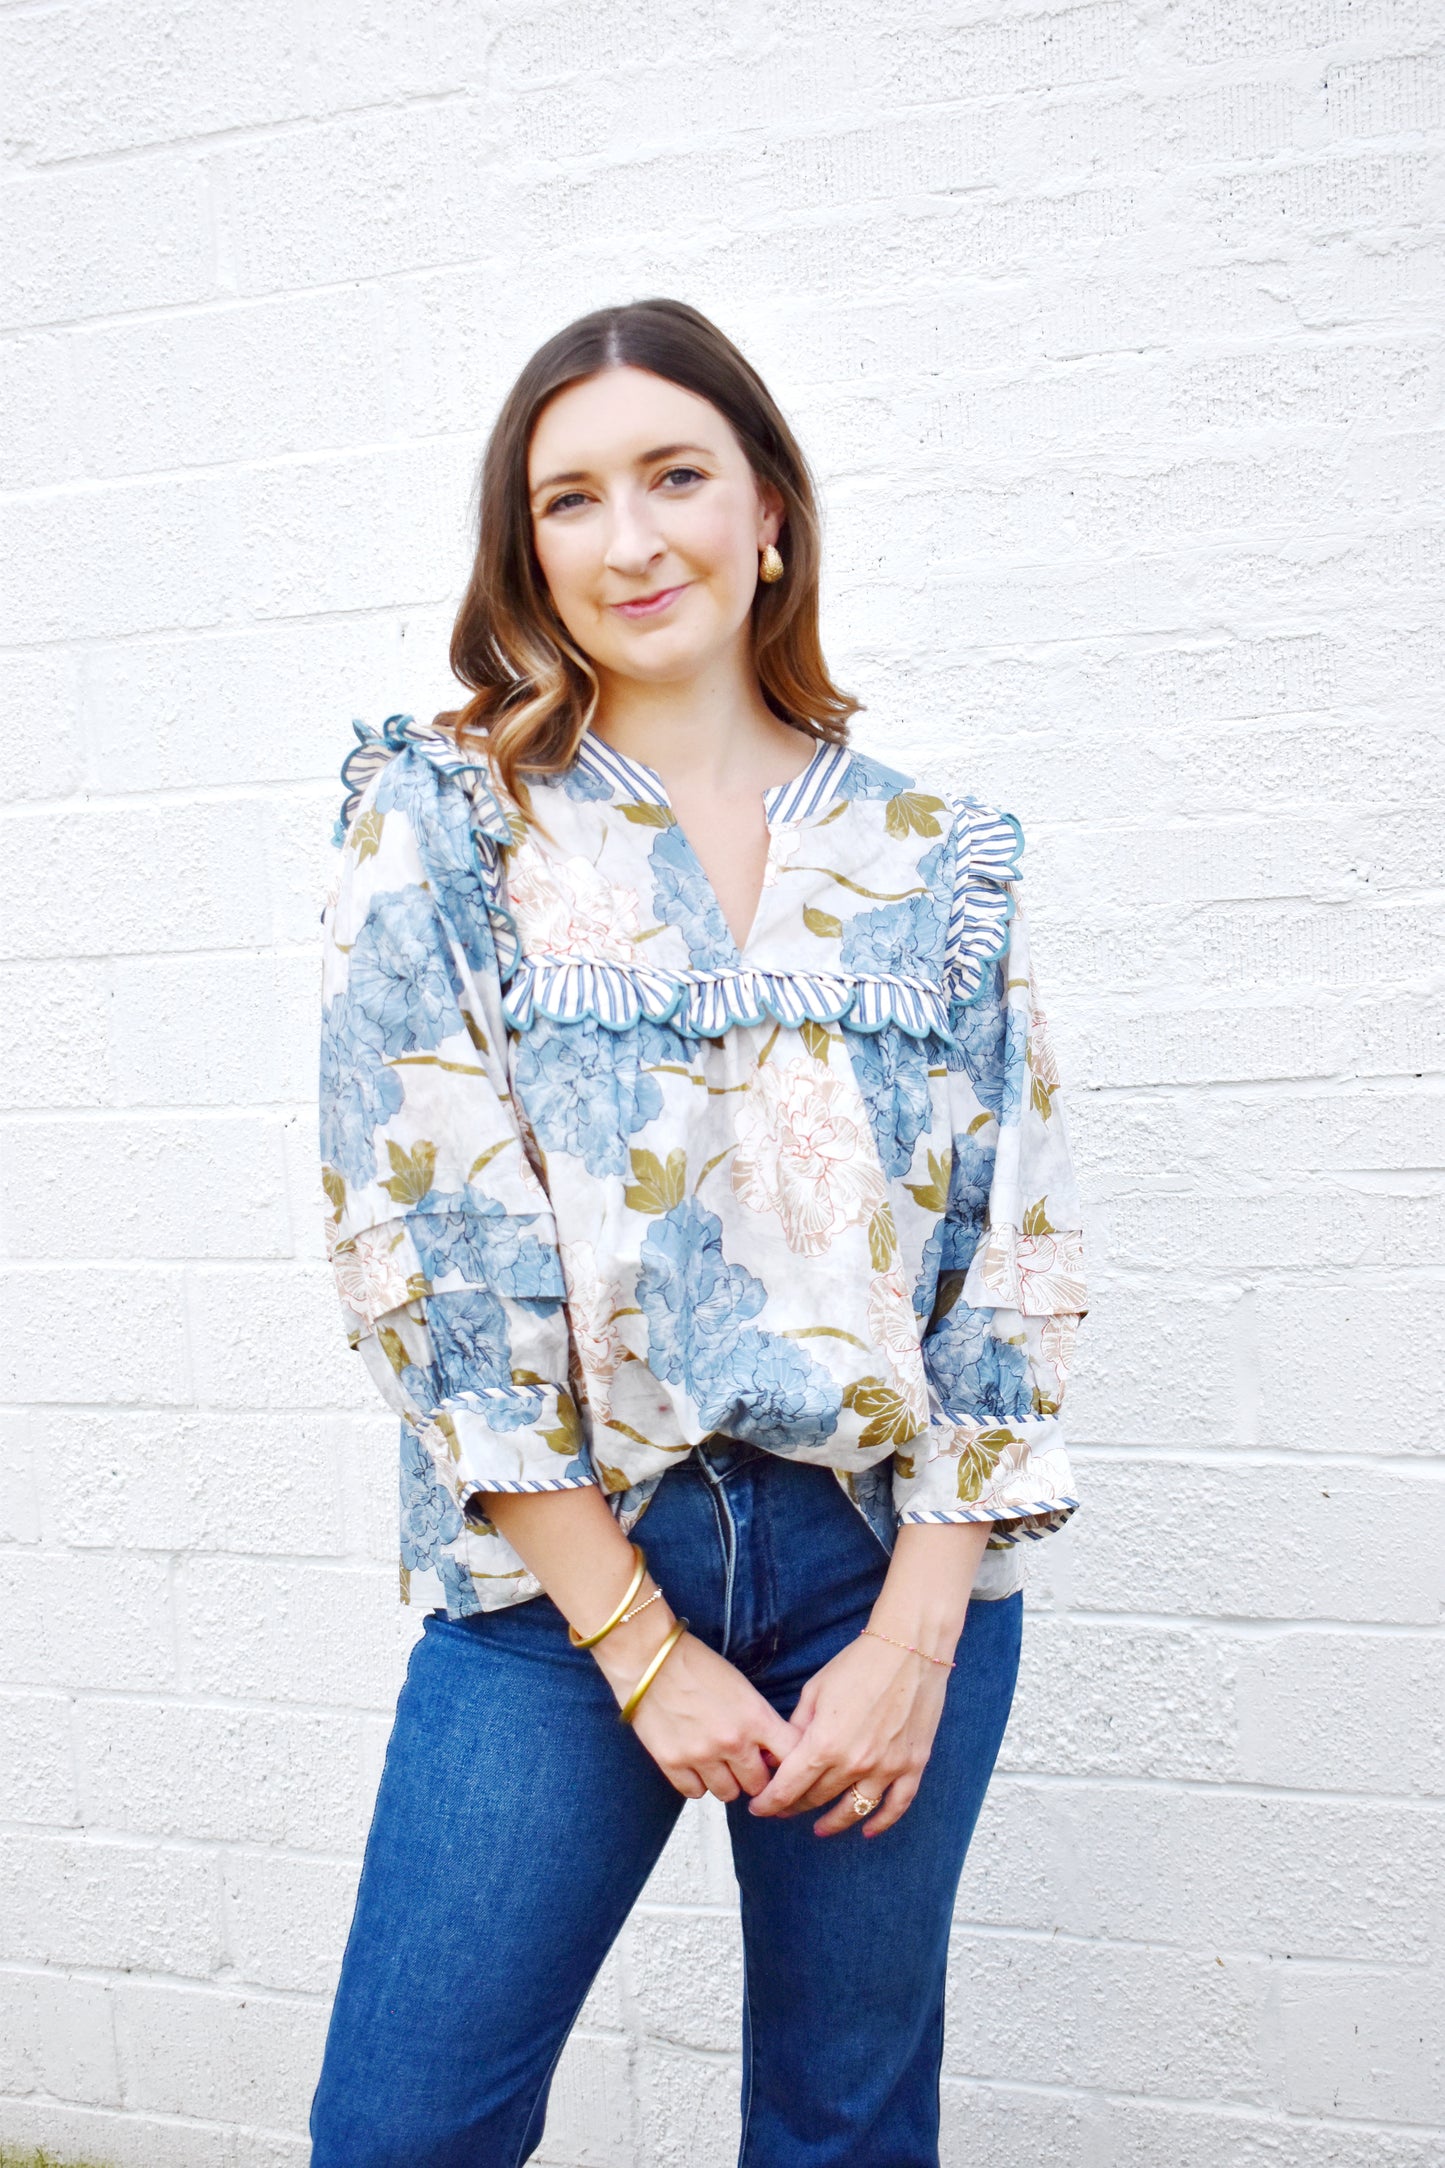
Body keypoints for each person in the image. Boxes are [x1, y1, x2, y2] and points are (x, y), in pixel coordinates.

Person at [309, 297, 1085, 2168]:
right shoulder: (447, 823)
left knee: (843, 2121)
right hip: (566, 1575)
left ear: (770, 517)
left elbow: (1013, 1262)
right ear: (528, 550)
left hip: (881, 1570)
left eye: (675, 476)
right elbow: (420, 1259)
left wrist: (914, 1634)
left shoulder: (938, 856)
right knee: (405, 2128)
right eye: (569, 499)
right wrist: (643, 1649)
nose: (630, 537)